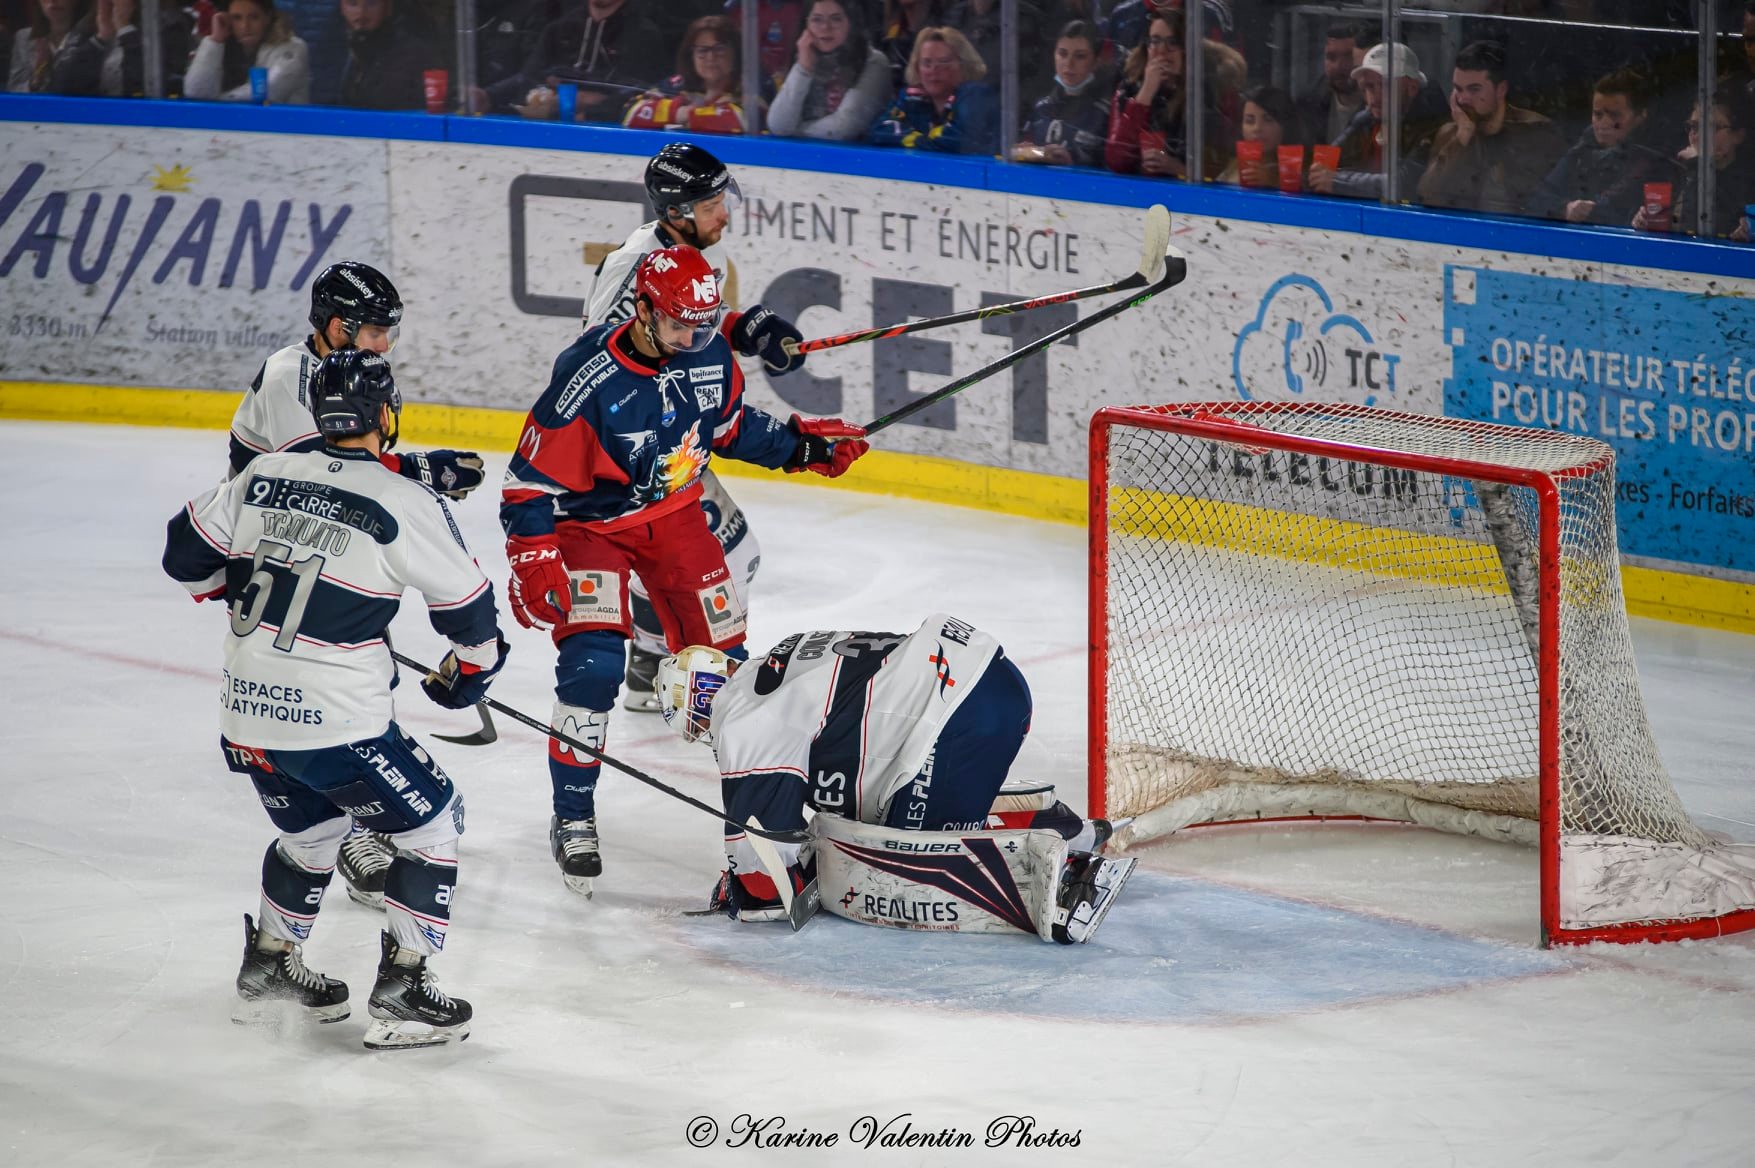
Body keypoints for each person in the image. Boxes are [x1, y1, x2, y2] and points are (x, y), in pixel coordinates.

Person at [162, 348, 507, 1049]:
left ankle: (270, 967)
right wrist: (469, 675)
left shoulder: (263, 473)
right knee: (434, 823)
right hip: (336, 724)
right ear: (385, 415)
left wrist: (235, 592)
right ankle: (405, 988)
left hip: (246, 716)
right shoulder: (403, 499)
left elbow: (182, 554)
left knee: (313, 832)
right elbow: (471, 617)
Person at [502, 244, 869, 897]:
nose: (691, 339)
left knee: (733, 676)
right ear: (643, 310)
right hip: (590, 527)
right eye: (678, 325)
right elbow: (526, 484)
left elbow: (729, 429)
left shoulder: (706, 352)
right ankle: (573, 814)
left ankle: (759, 832)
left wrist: (801, 448)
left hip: (675, 517)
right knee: (593, 666)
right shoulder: (586, 376)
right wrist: (533, 559)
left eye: (701, 327)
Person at [225, 261, 488, 908]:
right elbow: (324, 470)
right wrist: (420, 470)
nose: (386, 344)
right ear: (337, 326)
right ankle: (351, 828)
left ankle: (355, 812)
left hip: (309, 546)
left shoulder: (339, 373)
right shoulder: (292, 377)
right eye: (375, 330)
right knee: (332, 686)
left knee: (360, 675)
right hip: (283, 547)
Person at [653, 615, 1136, 944]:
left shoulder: (741, 716)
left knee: (903, 863)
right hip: (991, 684)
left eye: (694, 726)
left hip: (957, 713)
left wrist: (743, 889)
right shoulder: (773, 669)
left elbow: (767, 881)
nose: (704, 736)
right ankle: (1056, 826)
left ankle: (1071, 879)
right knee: (876, 814)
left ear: (697, 699)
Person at [581, 143, 803, 723]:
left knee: (728, 555)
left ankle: (653, 665)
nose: (723, 214)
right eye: (710, 206)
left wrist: (747, 326)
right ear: (676, 212)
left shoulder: (704, 254)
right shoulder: (634, 264)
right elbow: (601, 358)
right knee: (732, 557)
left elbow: (689, 322)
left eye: (722, 200)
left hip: (669, 436)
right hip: (635, 448)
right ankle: (692, 685)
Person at [1416, 40, 1567, 216]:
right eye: (1458, 89)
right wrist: (1462, 137)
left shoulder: (1537, 132)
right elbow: (1428, 197)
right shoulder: (1451, 135)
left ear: (1501, 89)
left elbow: (1543, 202)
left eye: (1474, 90)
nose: (1463, 99)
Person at [1527, 68, 1677, 226]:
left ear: (1640, 116)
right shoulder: (1580, 152)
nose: (1603, 124)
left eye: (1614, 115)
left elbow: (1661, 222)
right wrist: (1565, 209)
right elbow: (1537, 200)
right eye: (1598, 114)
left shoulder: (1661, 165)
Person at [480, 0, 668, 121]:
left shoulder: (644, 35)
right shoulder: (559, 28)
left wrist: (590, 103)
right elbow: (530, 77)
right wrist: (488, 95)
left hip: (612, 135)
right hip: (548, 130)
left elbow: (644, 93)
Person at [1307, 40, 1447, 202]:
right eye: (1369, 86)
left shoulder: (1433, 126)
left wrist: (1338, 182)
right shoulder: (1365, 121)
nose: (1375, 96)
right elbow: (1322, 164)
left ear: (1412, 88)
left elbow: (1405, 184)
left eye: (1386, 85)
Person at [1103, 12, 1232, 179]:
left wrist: (1177, 168)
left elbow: (1219, 172)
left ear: (1188, 49)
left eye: (1172, 42)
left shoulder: (1206, 94)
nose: (1162, 51)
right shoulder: (1128, 90)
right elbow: (1116, 160)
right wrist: (1146, 93)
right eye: (1155, 41)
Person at [1633, 84, 1755, 239]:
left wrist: (1698, 163)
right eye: (1694, 126)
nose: (1699, 135)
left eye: (1712, 127)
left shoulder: (1748, 182)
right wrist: (1643, 222)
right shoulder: (1677, 172)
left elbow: (1723, 215)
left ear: (1738, 136)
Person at [767, 0, 892, 141]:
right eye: (817, 19)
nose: (825, 27)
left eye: (836, 19)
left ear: (851, 23)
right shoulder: (805, 57)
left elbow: (844, 128)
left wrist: (794, 132)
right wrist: (803, 69)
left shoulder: (874, 62)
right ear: (806, 25)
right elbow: (778, 125)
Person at [865, 25, 999, 154]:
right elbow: (878, 130)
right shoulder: (912, 97)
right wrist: (921, 139)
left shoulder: (976, 94)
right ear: (917, 68)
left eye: (944, 61)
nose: (933, 70)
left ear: (964, 65)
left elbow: (959, 140)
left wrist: (914, 138)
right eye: (926, 63)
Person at [620, 14, 752, 134]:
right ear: (691, 55)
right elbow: (631, 112)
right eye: (702, 50)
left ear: (735, 53)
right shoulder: (677, 84)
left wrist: (679, 116)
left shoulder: (751, 88)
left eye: (719, 49)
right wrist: (679, 113)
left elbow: (744, 121)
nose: (711, 57)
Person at [1012, 19, 1110, 167]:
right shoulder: (1041, 108)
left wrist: (1070, 162)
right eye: (1062, 54)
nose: (1068, 64)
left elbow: (1114, 166)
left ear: (1096, 62)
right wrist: (1038, 154)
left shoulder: (1105, 114)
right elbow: (1014, 151)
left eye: (1080, 56)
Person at [184, 0, 311, 104]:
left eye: (254, 17)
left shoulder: (293, 47)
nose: (245, 26)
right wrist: (216, 41)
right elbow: (196, 93)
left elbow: (270, 90)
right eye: (237, 18)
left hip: (283, 125)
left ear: (267, 17)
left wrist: (217, 104)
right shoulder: (223, 46)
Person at [336, 0, 444, 111]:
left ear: (388, 7)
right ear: (341, 7)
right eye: (353, 4)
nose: (361, 12)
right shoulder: (334, 50)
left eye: (371, 3)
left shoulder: (414, 55)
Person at [1295, 20, 1370, 147]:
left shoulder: (1380, 106)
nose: (1338, 66)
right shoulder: (1308, 103)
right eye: (1331, 57)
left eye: (1348, 57)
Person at [1217, 84, 1302, 187]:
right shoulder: (1233, 165)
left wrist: (1271, 184)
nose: (1257, 128)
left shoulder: (1299, 172)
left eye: (1268, 120)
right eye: (1249, 121)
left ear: (1286, 126)